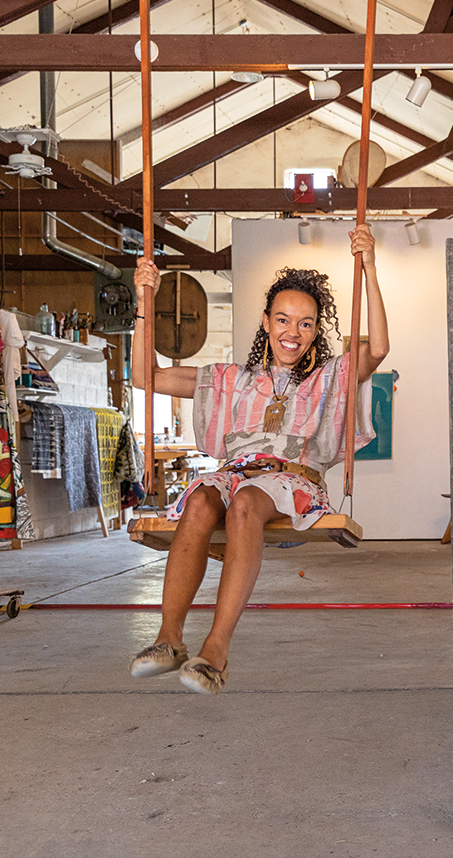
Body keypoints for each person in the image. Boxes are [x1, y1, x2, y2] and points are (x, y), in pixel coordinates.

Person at [129, 225, 388, 694]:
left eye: (306, 323)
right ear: (267, 322)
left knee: (246, 500)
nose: (294, 331)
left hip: (291, 483)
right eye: (284, 319)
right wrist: (144, 302)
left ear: (315, 332)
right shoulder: (229, 379)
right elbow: (145, 377)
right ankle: (169, 639)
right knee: (203, 498)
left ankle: (217, 649)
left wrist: (369, 266)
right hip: (236, 476)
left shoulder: (328, 379)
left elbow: (380, 350)